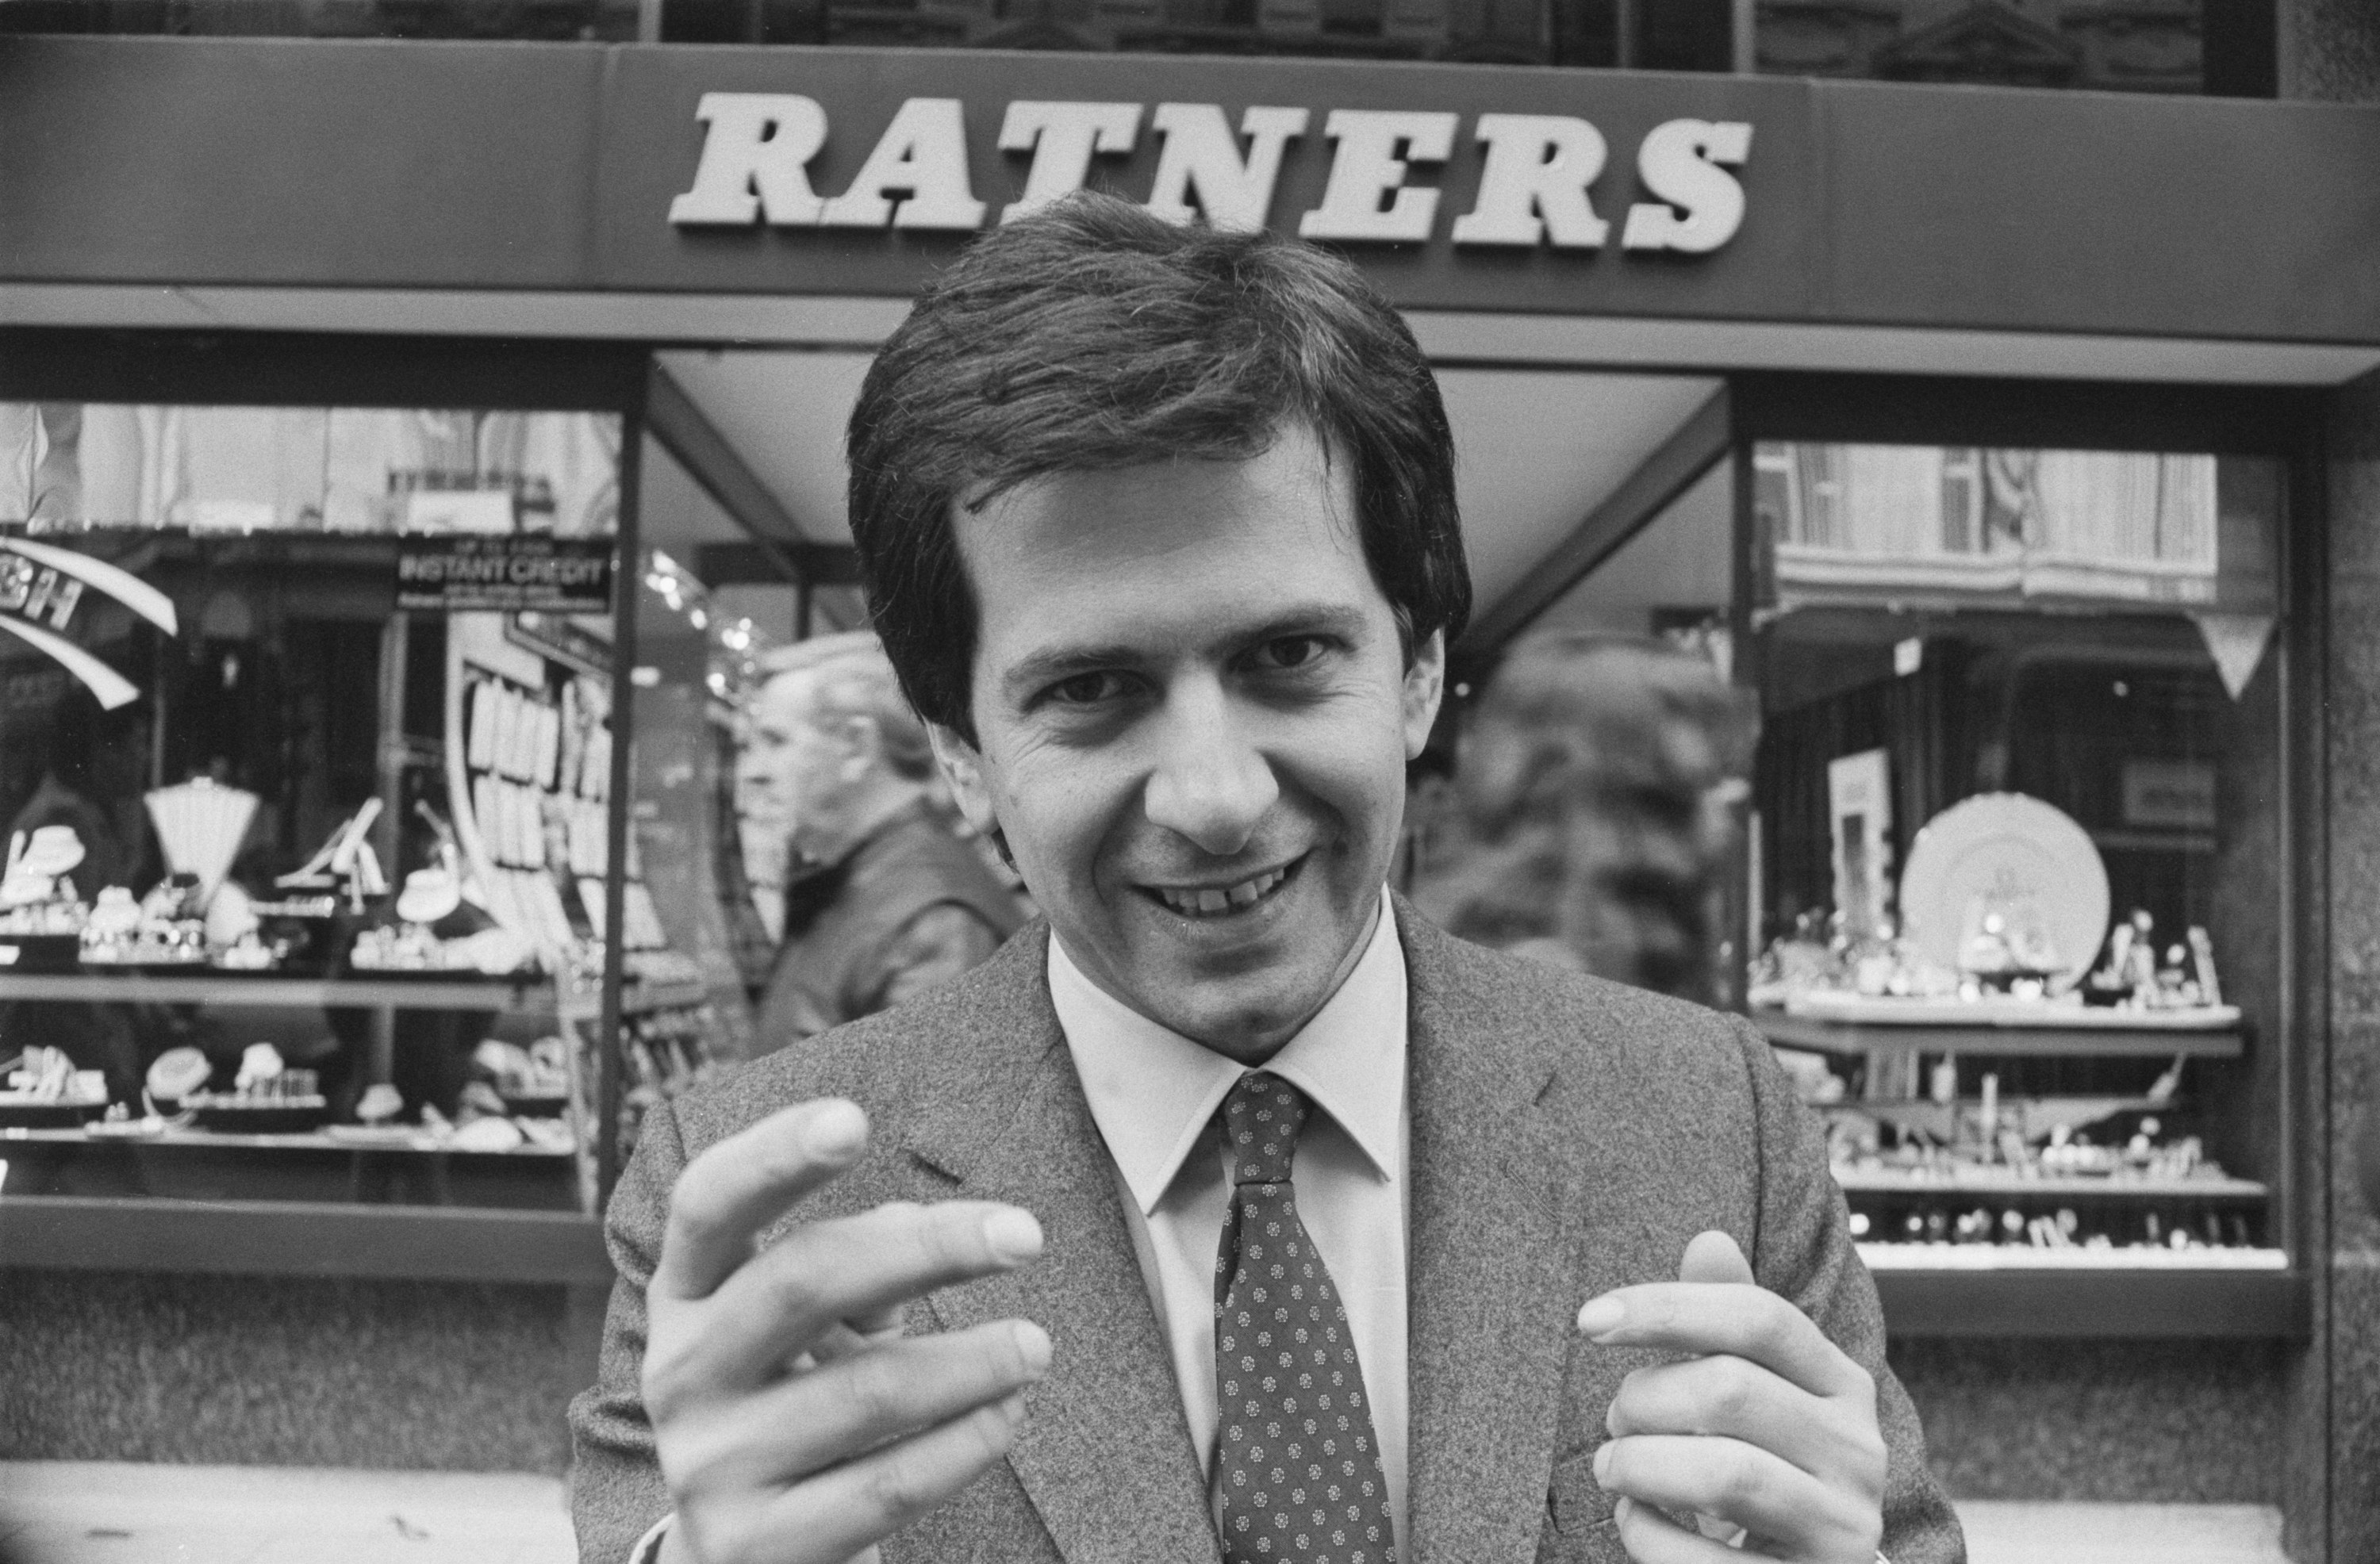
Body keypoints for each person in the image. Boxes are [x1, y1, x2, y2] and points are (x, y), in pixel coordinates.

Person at [569, 194, 1964, 1564]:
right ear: (961, 754)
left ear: (1416, 672)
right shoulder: (751, 1211)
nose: (1218, 798)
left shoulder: (1711, 1125)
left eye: (1287, 657)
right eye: (1094, 688)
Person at [736, 632, 1025, 1048]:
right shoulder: (877, 887)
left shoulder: (933, 921)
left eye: (775, 741)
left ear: (855, 747)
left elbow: (930, 1104)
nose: (752, 771)